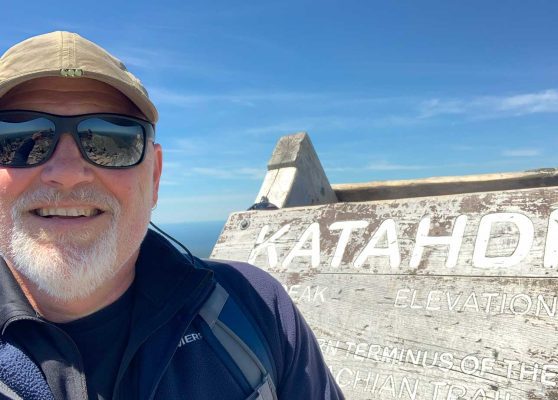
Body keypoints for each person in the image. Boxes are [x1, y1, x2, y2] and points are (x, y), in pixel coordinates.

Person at [0, 31, 344, 400]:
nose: (66, 172)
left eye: (112, 142)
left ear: (155, 176)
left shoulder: (255, 306)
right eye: (17, 140)